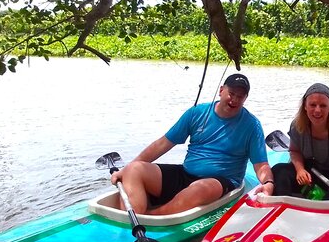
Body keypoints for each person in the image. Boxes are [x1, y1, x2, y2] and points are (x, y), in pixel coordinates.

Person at [111, 73, 274, 215]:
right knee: (134, 169)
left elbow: (261, 165)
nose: (234, 100)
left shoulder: (252, 125)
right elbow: (163, 144)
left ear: (245, 98)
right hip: (186, 174)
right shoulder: (197, 112)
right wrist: (125, 170)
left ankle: (153, 216)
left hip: (220, 181)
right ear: (221, 90)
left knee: (199, 188)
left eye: (240, 96)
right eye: (231, 93)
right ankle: (131, 218)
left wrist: (268, 183)